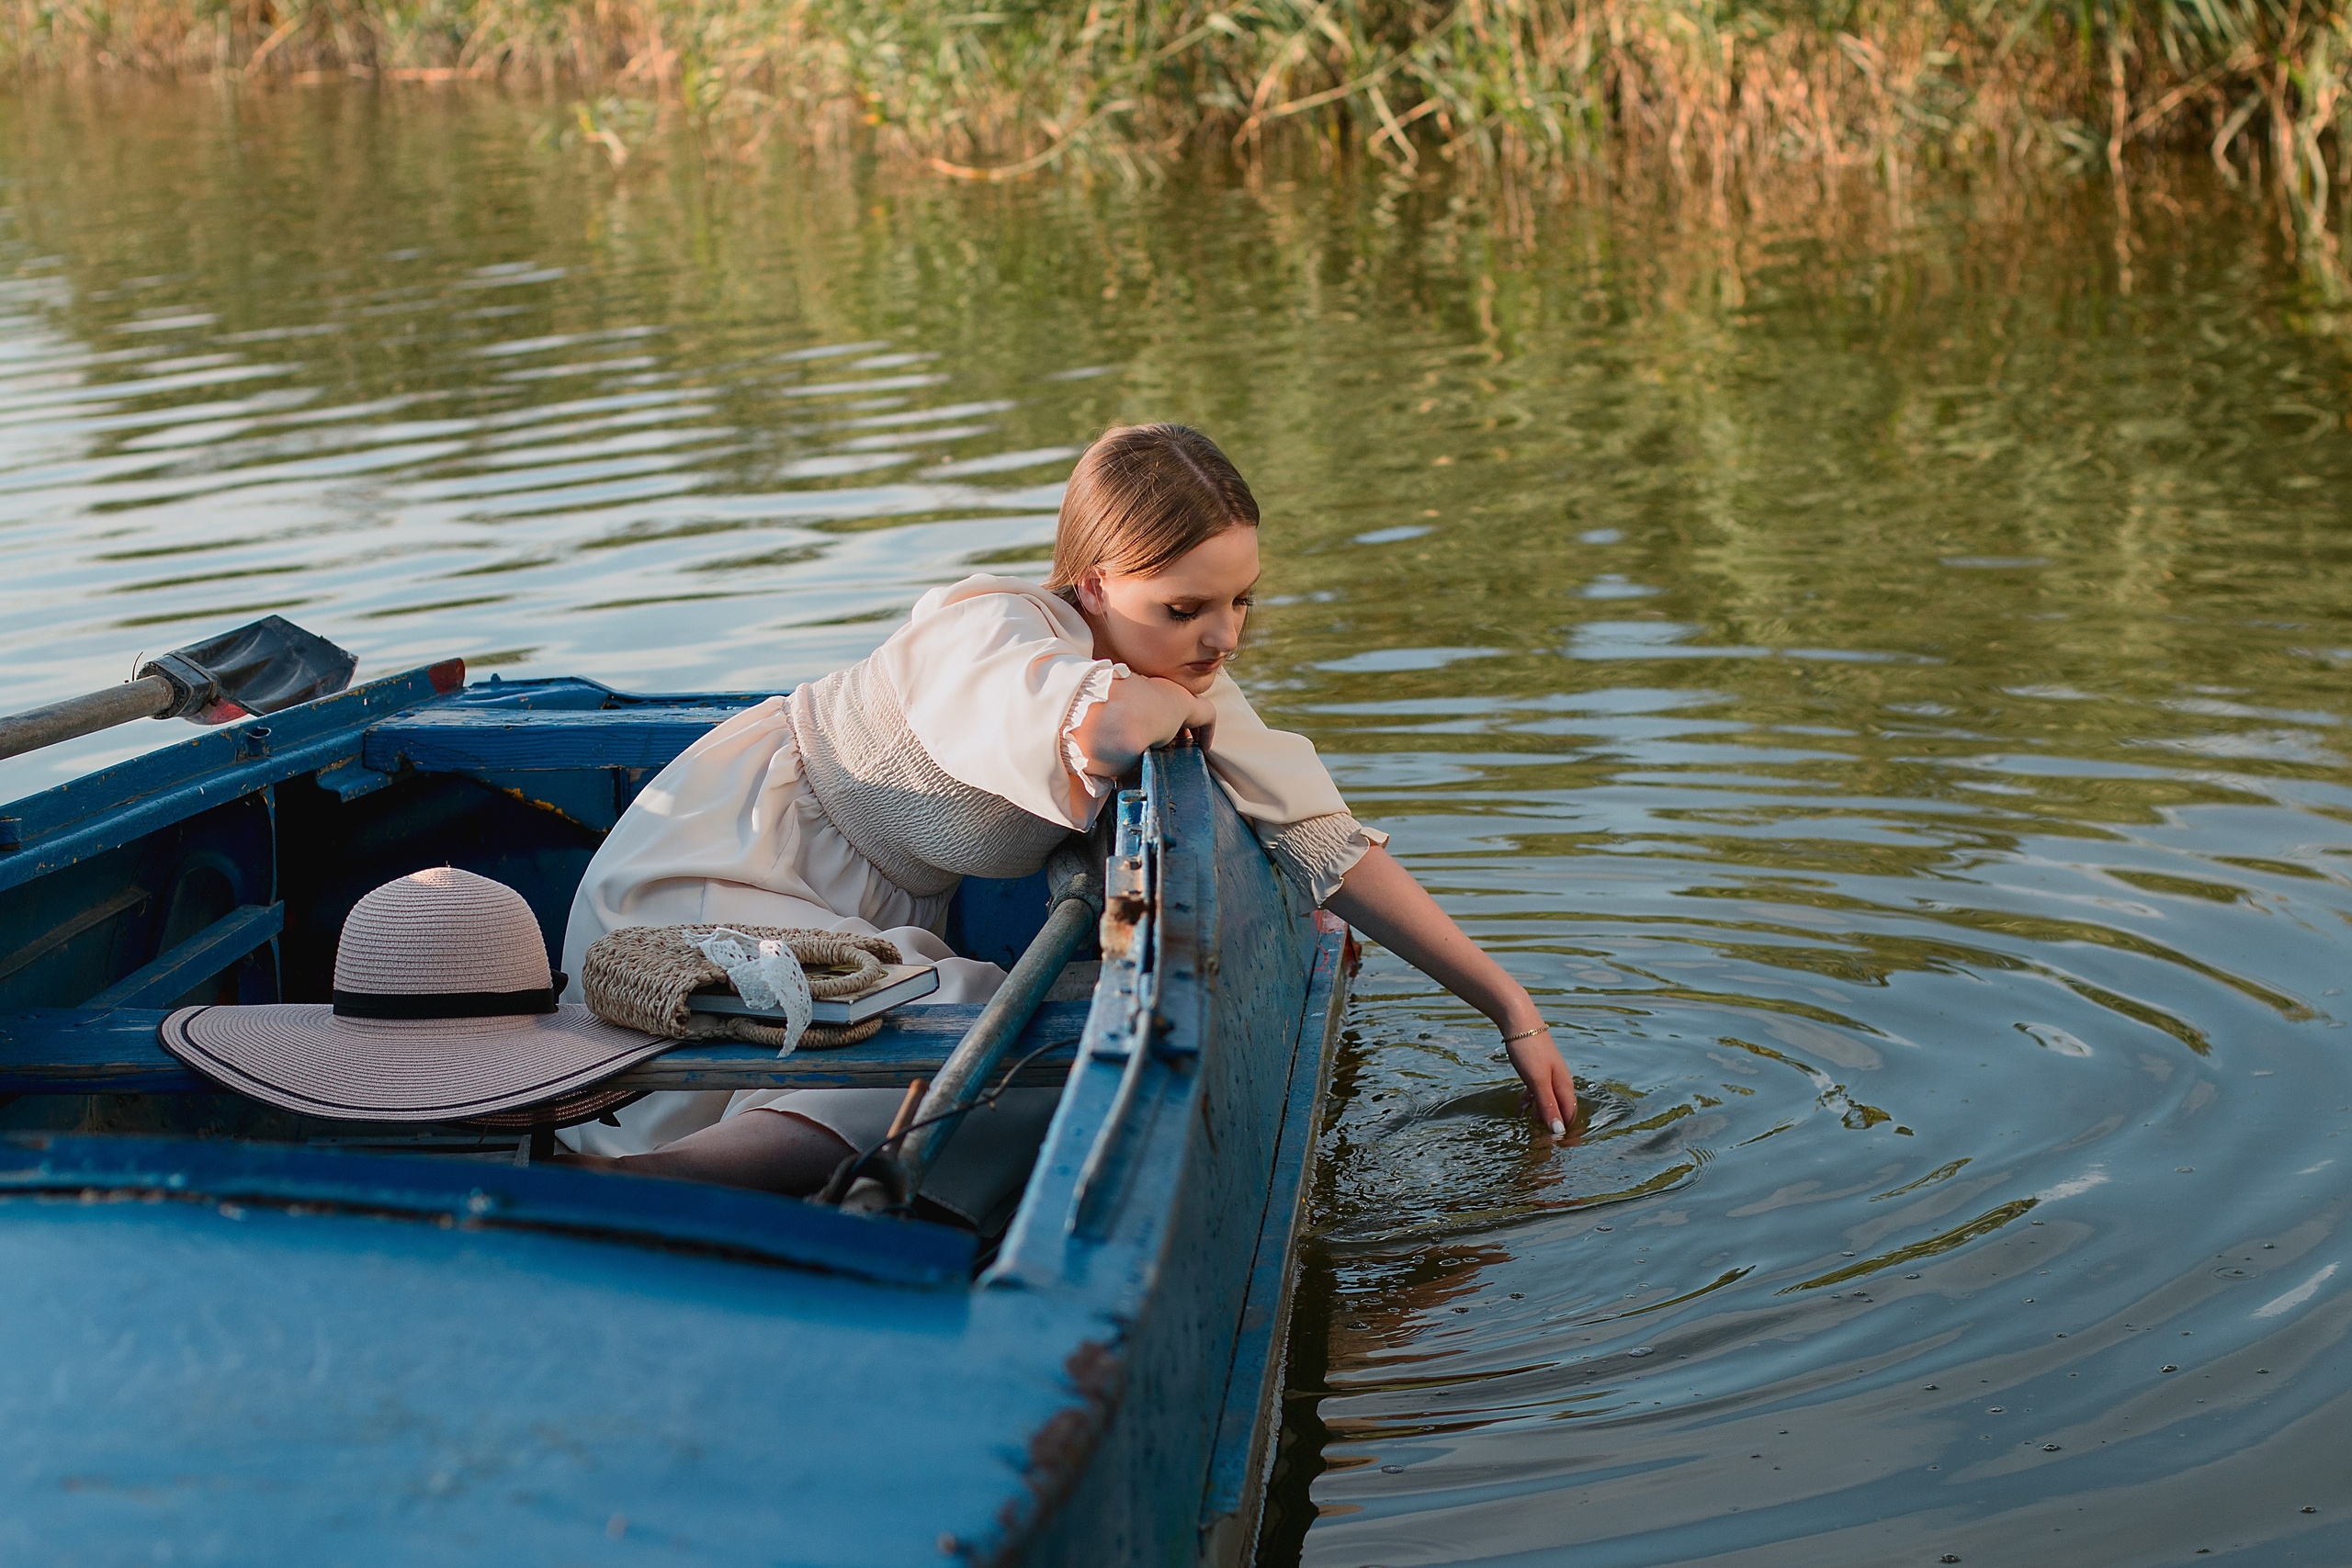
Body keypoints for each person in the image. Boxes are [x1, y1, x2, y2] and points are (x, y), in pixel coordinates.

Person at [556, 423, 1577, 1216]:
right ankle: (649, 1189)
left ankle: (757, 1199)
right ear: (1094, 580)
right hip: (726, 861)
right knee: (987, 1030)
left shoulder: (1168, 675)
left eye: (1241, 602)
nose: (1222, 637)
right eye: (1185, 609)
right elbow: (1109, 736)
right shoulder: (992, 633)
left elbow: (1323, 844)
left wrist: (1507, 1005)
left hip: (843, 916)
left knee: (1013, 1039)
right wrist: (1185, 709)